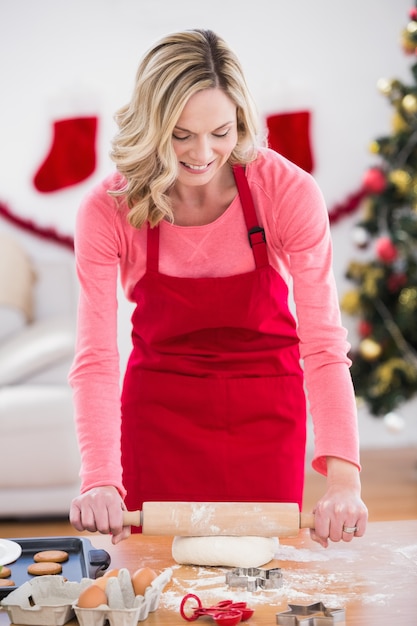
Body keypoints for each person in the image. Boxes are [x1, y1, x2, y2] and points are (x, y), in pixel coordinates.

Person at [69, 28, 368, 548]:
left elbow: (323, 345)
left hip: (265, 412)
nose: (202, 154)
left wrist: (344, 479)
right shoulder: (108, 209)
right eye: (180, 134)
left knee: (260, 586)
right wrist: (100, 479)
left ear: (242, 122)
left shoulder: (288, 193)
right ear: (151, 126)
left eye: (221, 132)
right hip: (158, 417)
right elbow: (96, 356)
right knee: (154, 586)